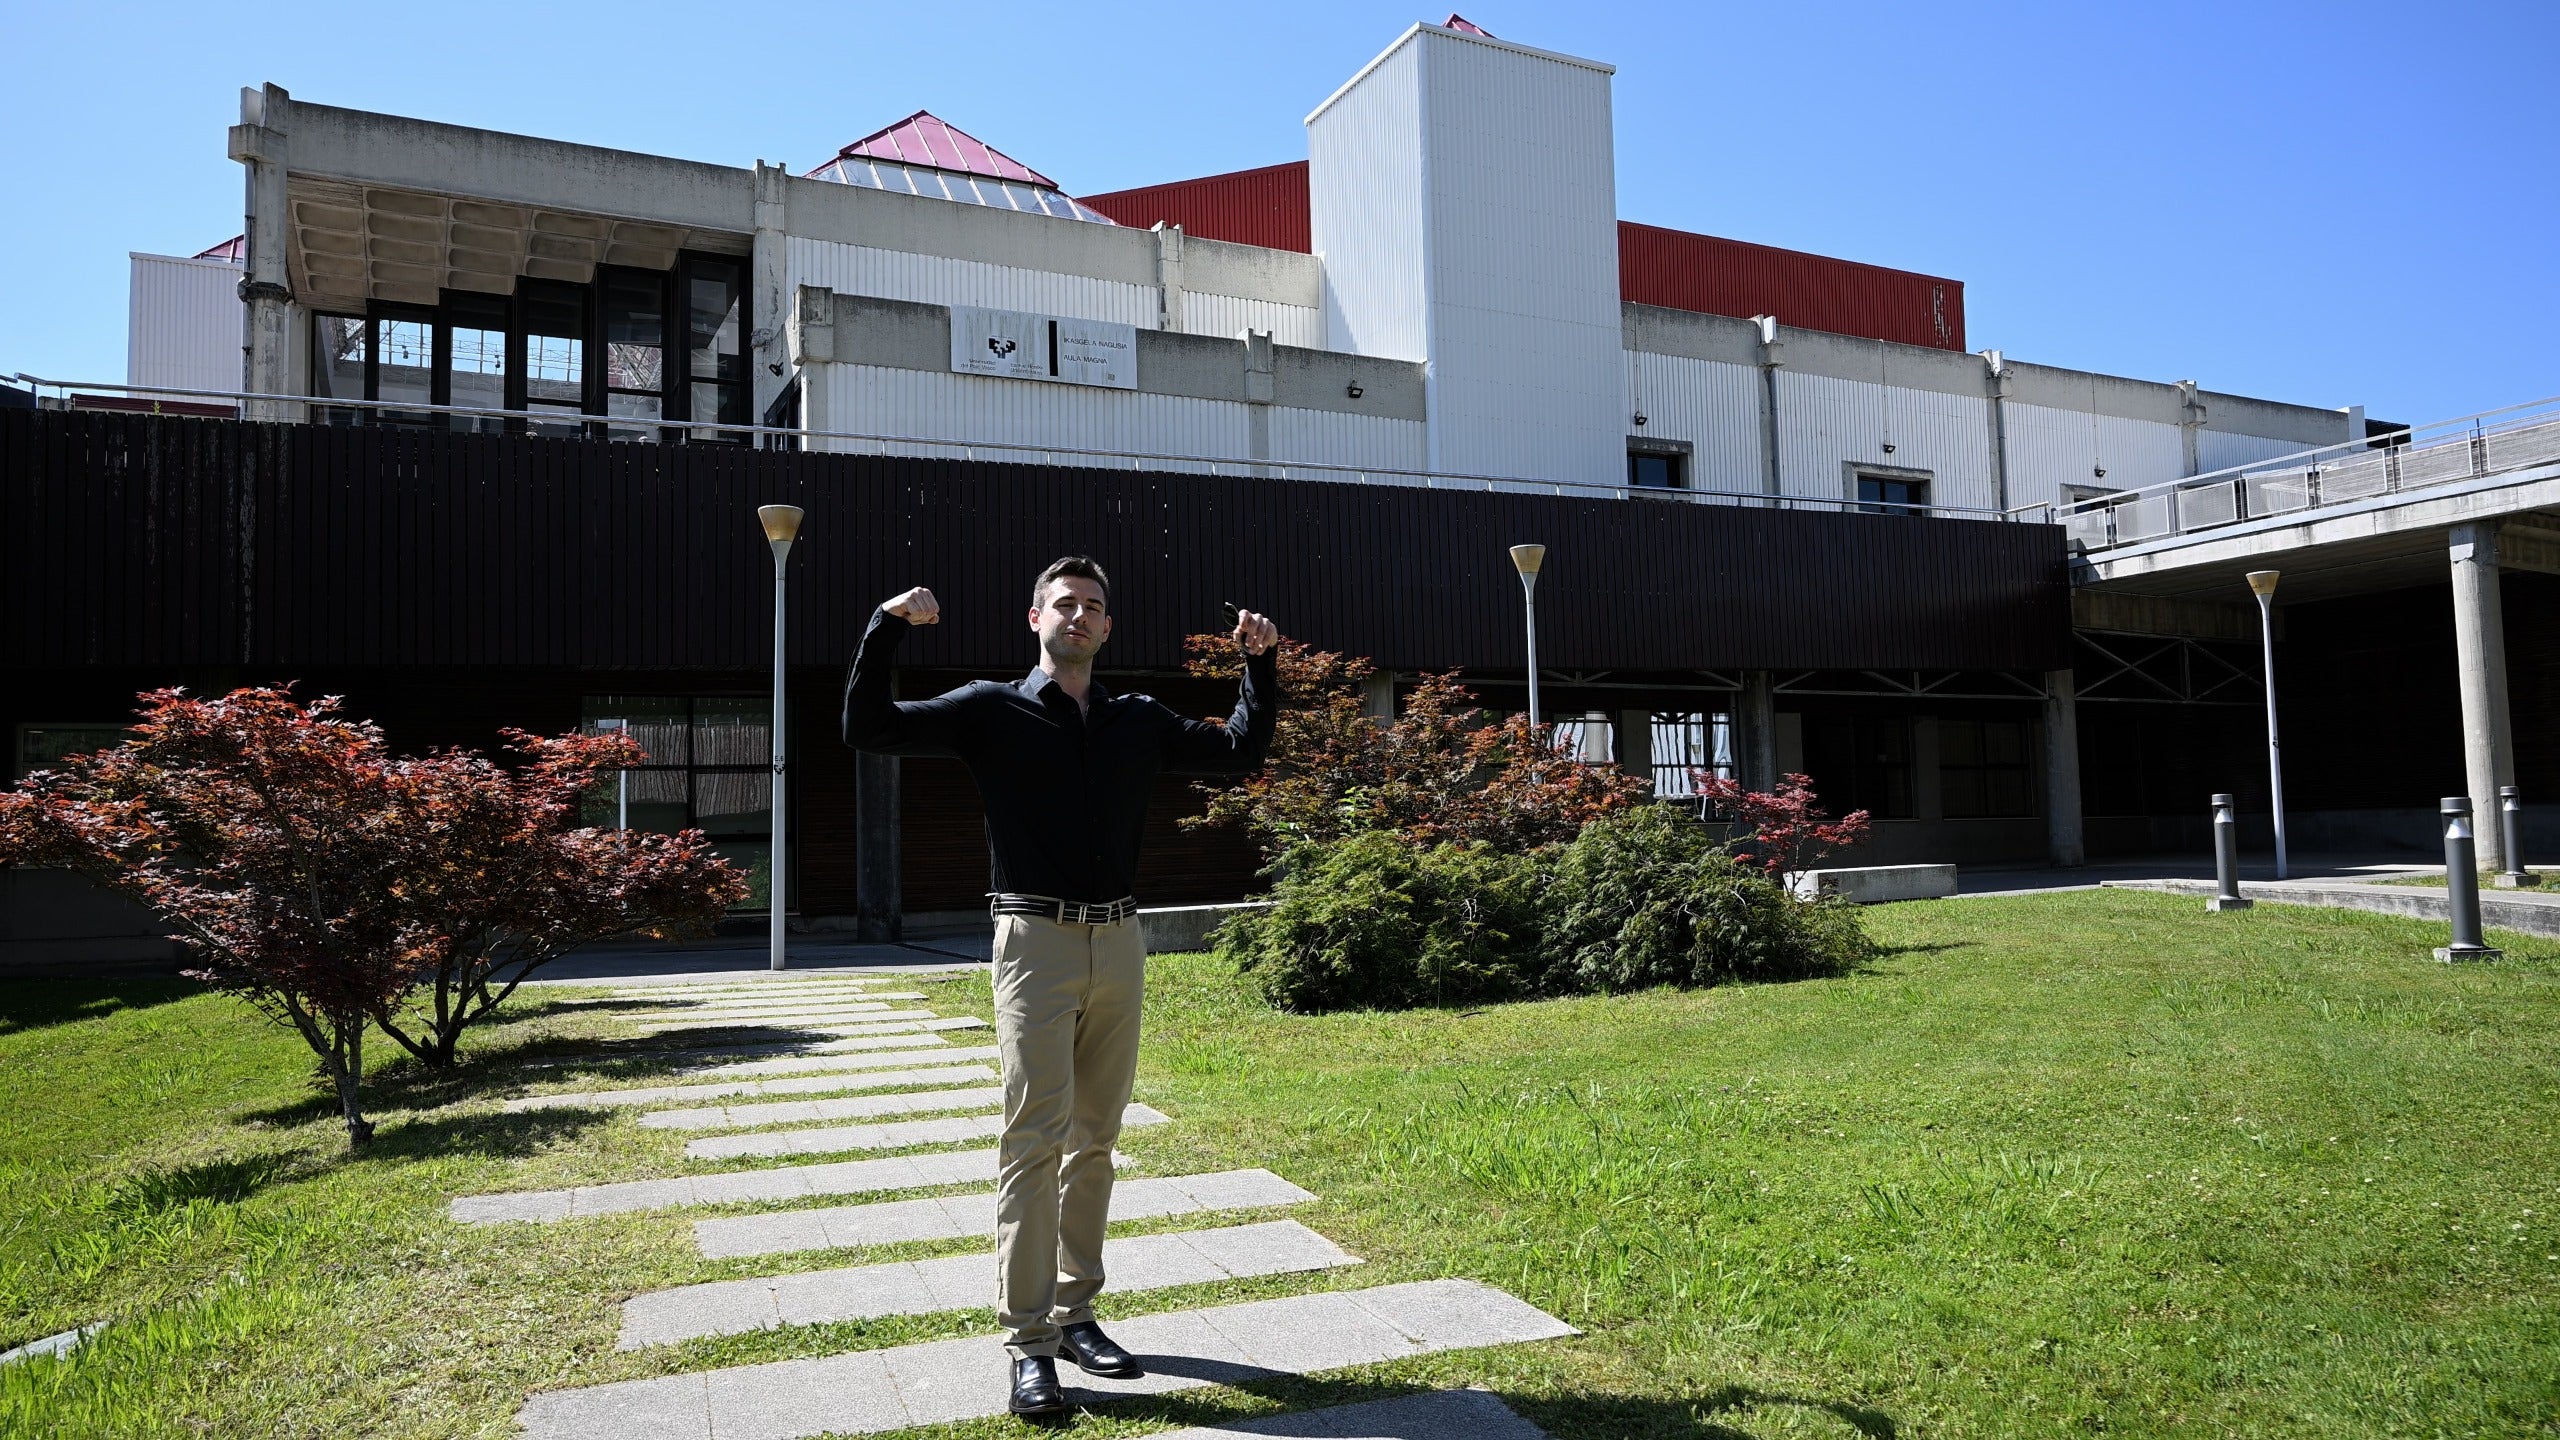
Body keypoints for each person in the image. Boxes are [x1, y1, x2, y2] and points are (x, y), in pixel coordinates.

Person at [842, 555, 1279, 1417]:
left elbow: (1240, 752)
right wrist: (887, 623)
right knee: (1034, 1140)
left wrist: (1257, 665)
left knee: (1096, 1143)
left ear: (1108, 628)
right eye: (1064, 604)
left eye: (1093, 608)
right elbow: (868, 727)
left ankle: (1078, 1313)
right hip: (1033, 939)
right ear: (1034, 618)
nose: (1078, 616)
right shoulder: (987, 709)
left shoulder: (1135, 720)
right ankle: (1029, 1343)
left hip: (1120, 940)